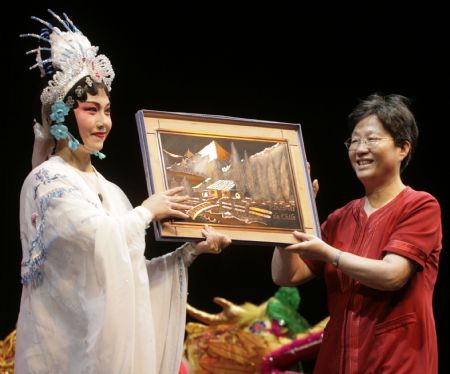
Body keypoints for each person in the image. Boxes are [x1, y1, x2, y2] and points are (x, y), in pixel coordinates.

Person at [15, 10, 231, 374]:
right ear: (64, 116)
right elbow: (97, 236)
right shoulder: (48, 181)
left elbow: (130, 274)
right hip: (67, 353)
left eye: (108, 111)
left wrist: (190, 251)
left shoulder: (111, 191)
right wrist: (148, 211)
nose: (103, 122)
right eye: (90, 110)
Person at [271, 93, 442, 373]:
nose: (360, 149)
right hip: (337, 361)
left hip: (395, 362)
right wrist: (292, 218)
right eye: (354, 141)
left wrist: (330, 254)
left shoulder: (420, 205)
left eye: (372, 139)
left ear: (403, 148)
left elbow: (392, 274)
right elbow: (285, 275)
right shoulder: (340, 218)